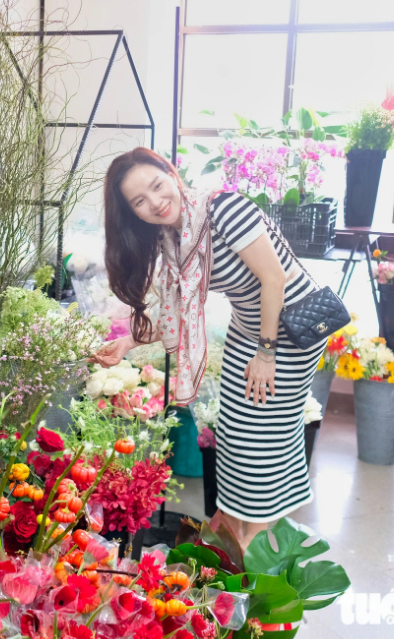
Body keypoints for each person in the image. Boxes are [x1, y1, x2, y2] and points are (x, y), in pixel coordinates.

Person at [92, 147, 325, 548]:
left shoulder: (224, 210)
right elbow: (176, 308)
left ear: (171, 172)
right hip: (249, 327)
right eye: (140, 202)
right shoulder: (174, 235)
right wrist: (129, 341)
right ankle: (230, 528)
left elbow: (275, 280)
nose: (156, 203)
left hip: (288, 330)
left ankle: (257, 538)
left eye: (157, 185)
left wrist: (265, 354)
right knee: (231, 432)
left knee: (259, 438)